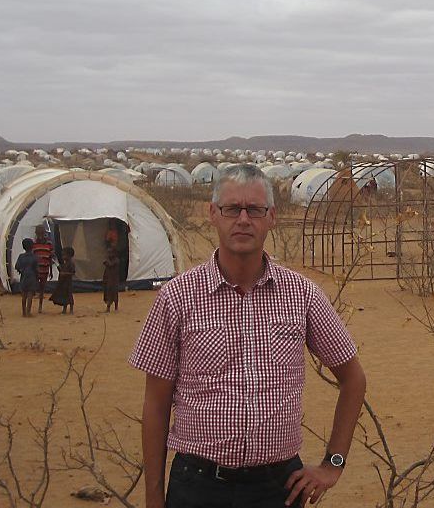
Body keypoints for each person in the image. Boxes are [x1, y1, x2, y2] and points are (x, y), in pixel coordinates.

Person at [129, 164, 366, 508]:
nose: (243, 219)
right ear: (212, 214)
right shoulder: (177, 297)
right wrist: (154, 495)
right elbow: (156, 403)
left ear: (271, 217)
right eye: (231, 209)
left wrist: (334, 464)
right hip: (198, 485)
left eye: (254, 210)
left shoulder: (302, 295)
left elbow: (353, 379)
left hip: (278, 488)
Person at [31, 226, 55, 313]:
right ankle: (31, 305)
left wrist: (51, 271)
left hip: (45, 270)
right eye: (38, 234)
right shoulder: (34, 244)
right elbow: (32, 257)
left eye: (41, 233)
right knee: (33, 288)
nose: (40, 235)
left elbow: (50, 258)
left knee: (42, 289)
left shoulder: (49, 244)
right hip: (36, 270)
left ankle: (40, 306)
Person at [15, 238, 39, 317]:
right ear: (32, 246)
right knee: (30, 295)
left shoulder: (21, 256)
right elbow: (36, 268)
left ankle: (24, 312)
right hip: (32, 277)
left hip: (24, 276)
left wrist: (21, 271)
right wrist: (37, 277)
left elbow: (17, 266)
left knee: (24, 295)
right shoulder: (35, 257)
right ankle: (28, 312)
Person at [51, 247, 76, 314]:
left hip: (68, 283)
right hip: (63, 282)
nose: (63, 257)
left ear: (69, 256)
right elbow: (61, 270)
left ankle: (71, 309)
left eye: (64, 255)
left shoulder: (71, 264)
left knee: (69, 296)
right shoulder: (65, 264)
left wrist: (64, 274)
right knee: (64, 296)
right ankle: (64, 309)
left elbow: (73, 273)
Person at [102, 247, 120, 312]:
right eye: (108, 253)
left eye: (110, 253)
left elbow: (111, 265)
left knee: (114, 293)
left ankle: (116, 307)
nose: (109, 254)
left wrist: (107, 262)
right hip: (108, 280)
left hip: (114, 280)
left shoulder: (116, 260)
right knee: (108, 293)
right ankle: (108, 307)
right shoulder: (108, 260)